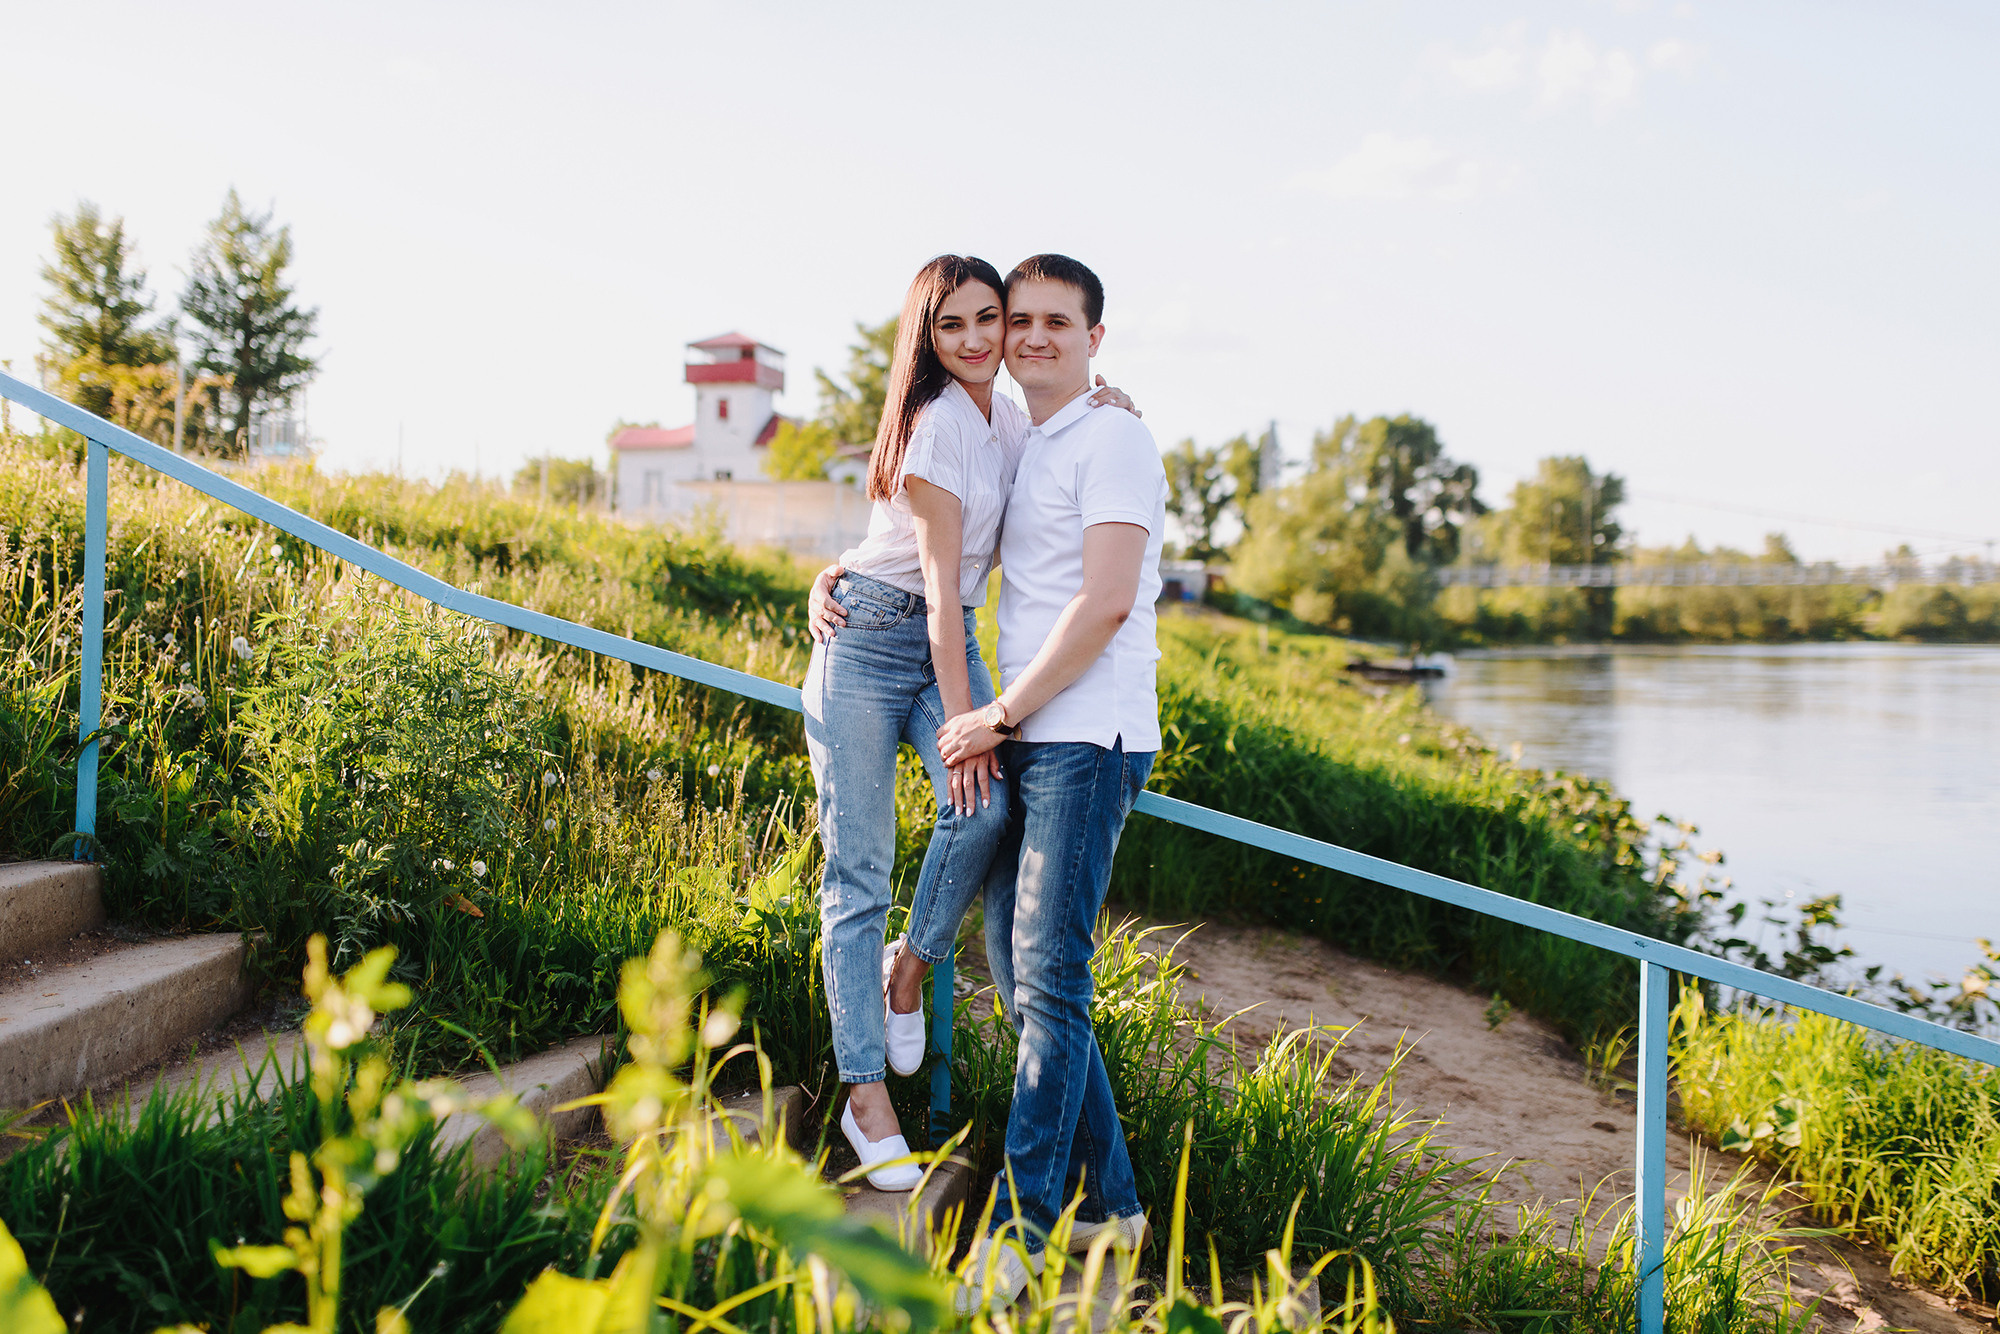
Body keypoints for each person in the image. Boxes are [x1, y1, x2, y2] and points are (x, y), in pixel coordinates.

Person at [800, 254, 1137, 1192]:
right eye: (952, 325)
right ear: (927, 338)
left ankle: (909, 968)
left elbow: (1067, 441)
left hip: (943, 640)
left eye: (990, 318)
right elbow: (940, 594)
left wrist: (1108, 401)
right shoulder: (936, 424)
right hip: (871, 642)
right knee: (858, 873)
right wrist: (966, 725)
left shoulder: (1011, 419)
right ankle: (866, 1097)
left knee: (985, 812)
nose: (979, 339)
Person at [934, 254, 1168, 1312]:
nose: (1029, 336)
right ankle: (1113, 1207)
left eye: (1054, 322)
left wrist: (999, 713)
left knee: (1049, 977)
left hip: (1084, 734)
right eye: (1016, 319)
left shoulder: (1113, 438)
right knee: (1025, 975)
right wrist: (837, 574)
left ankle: (1021, 1229)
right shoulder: (1027, 438)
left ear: (1093, 338)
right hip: (1032, 728)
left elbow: (1107, 600)